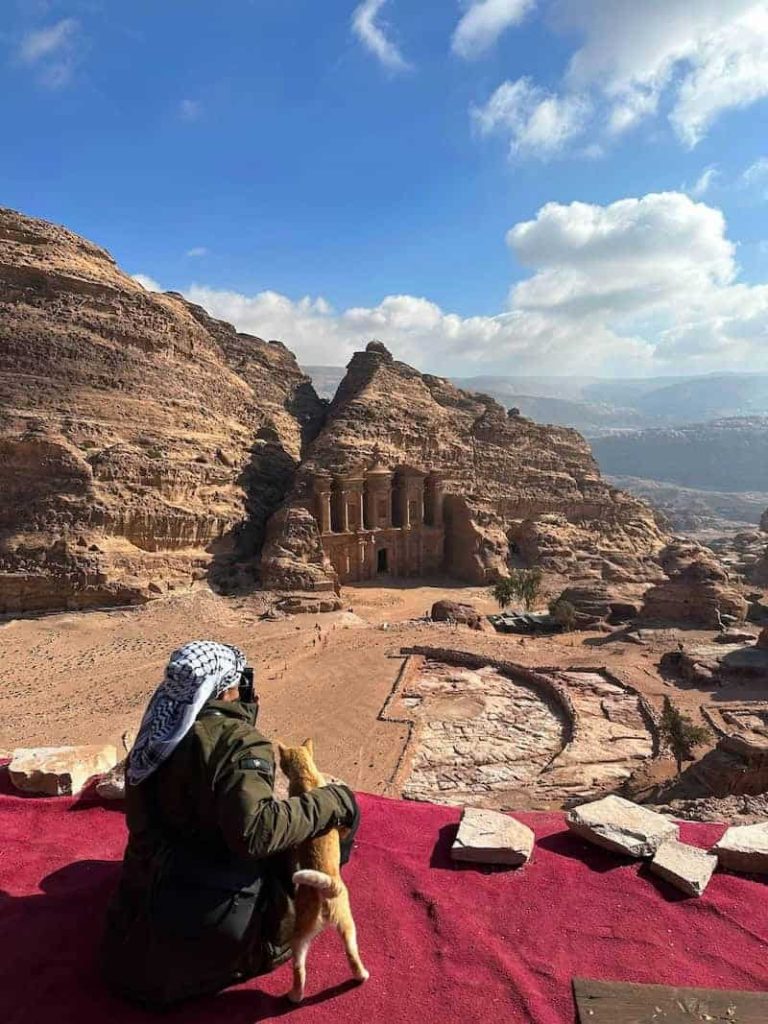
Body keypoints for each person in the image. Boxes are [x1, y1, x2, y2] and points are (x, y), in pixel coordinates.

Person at [100, 640, 359, 1009]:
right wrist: (333, 801)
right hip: (209, 938)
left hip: (130, 933)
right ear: (223, 689)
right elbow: (254, 834)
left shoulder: (158, 733)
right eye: (239, 681)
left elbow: (142, 822)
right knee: (323, 815)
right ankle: (303, 910)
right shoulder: (238, 743)